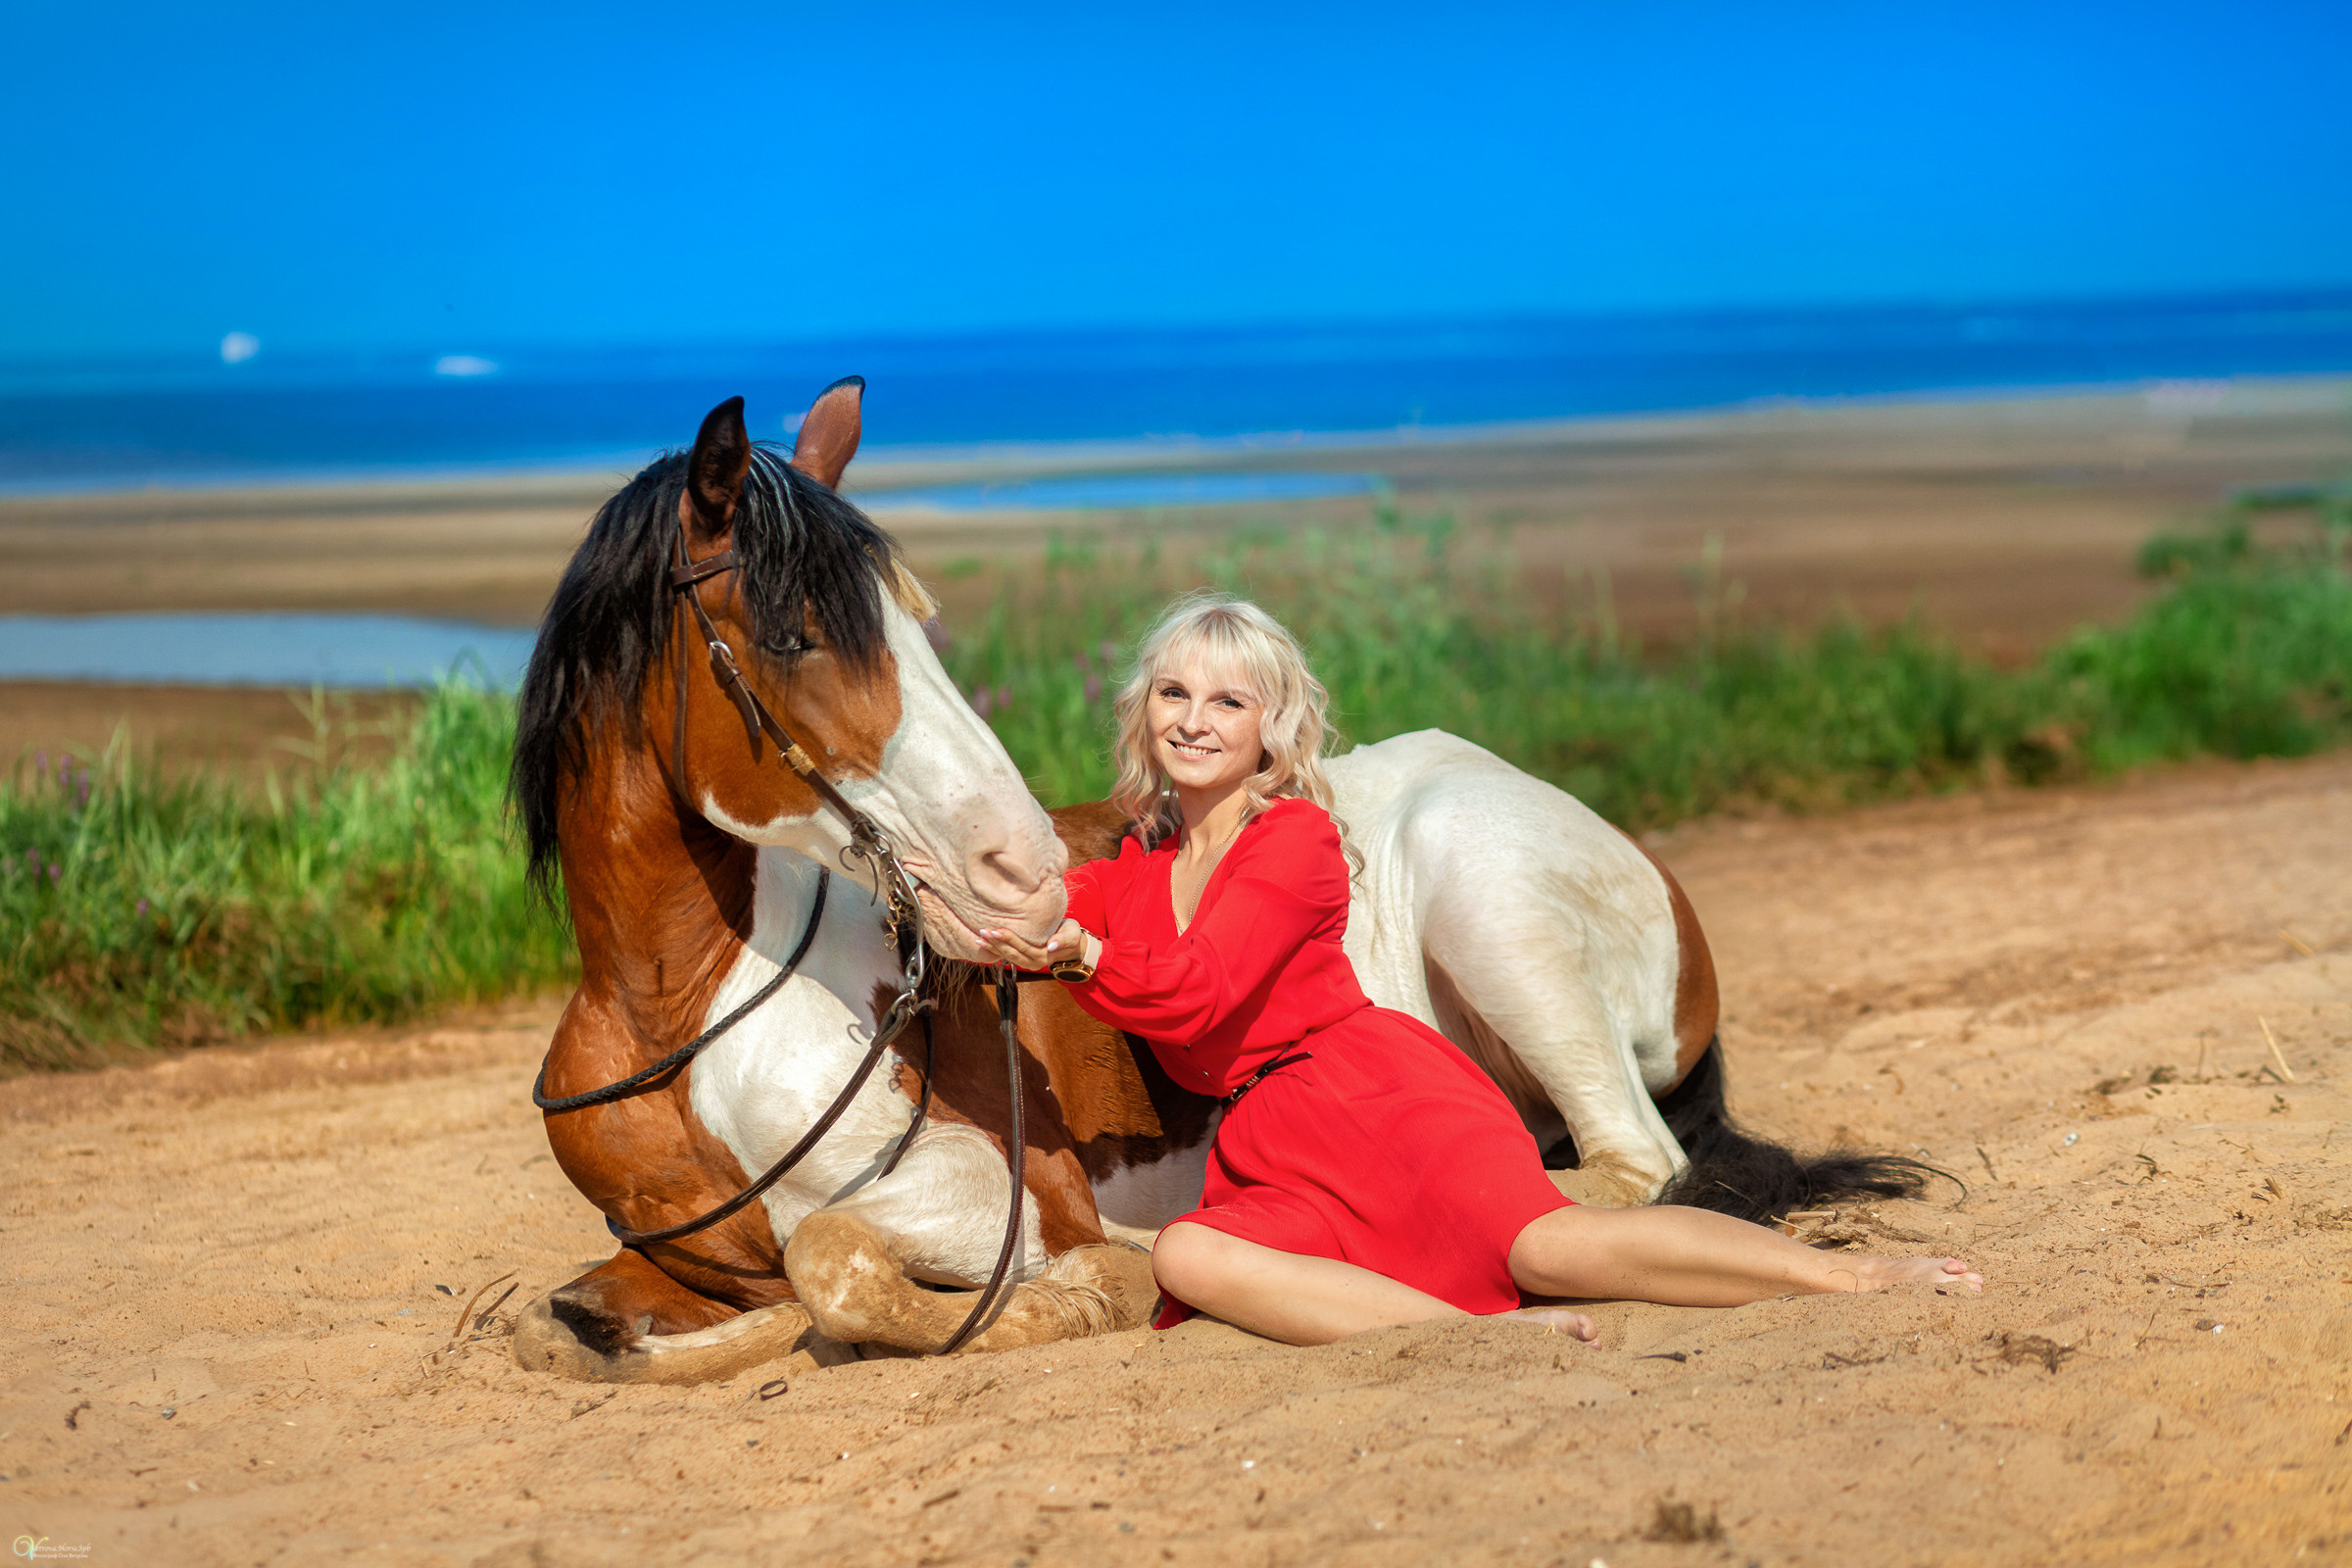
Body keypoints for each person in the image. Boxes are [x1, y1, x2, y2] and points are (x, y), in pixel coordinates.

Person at [980, 593, 1981, 1347]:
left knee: (1548, 1247)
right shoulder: (1134, 874)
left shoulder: (1295, 840)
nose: (1195, 720)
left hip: (1375, 1094)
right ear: (1144, 710)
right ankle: (1475, 1337)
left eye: (1227, 701)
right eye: (1175, 693)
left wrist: (1082, 953)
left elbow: (1199, 988)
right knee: (1190, 1252)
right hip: (1271, 1142)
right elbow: (1023, 915)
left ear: (1270, 729)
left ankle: (1854, 1280)